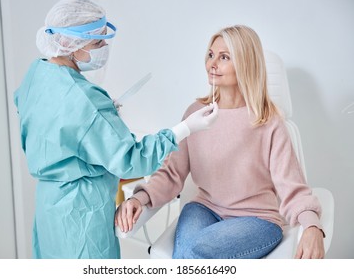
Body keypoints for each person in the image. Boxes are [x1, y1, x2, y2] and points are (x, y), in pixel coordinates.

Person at [14, 0, 218, 259]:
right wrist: (185, 128)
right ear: (68, 44)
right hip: (81, 215)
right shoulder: (85, 100)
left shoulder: (37, 74)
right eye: (97, 42)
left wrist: (95, 124)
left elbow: (45, 125)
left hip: (50, 208)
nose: (104, 47)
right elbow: (132, 160)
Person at [115, 25, 325, 259]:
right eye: (211, 55)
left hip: (256, 220)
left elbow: (292, 186)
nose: (212, 64)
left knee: (195, 253)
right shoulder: (196, 115)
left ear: (245, 63)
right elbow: (171, 174)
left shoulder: (268, 122)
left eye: (224, 57)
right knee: (186, 254)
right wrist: (139, 198)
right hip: (204, 209)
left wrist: (312, 226)